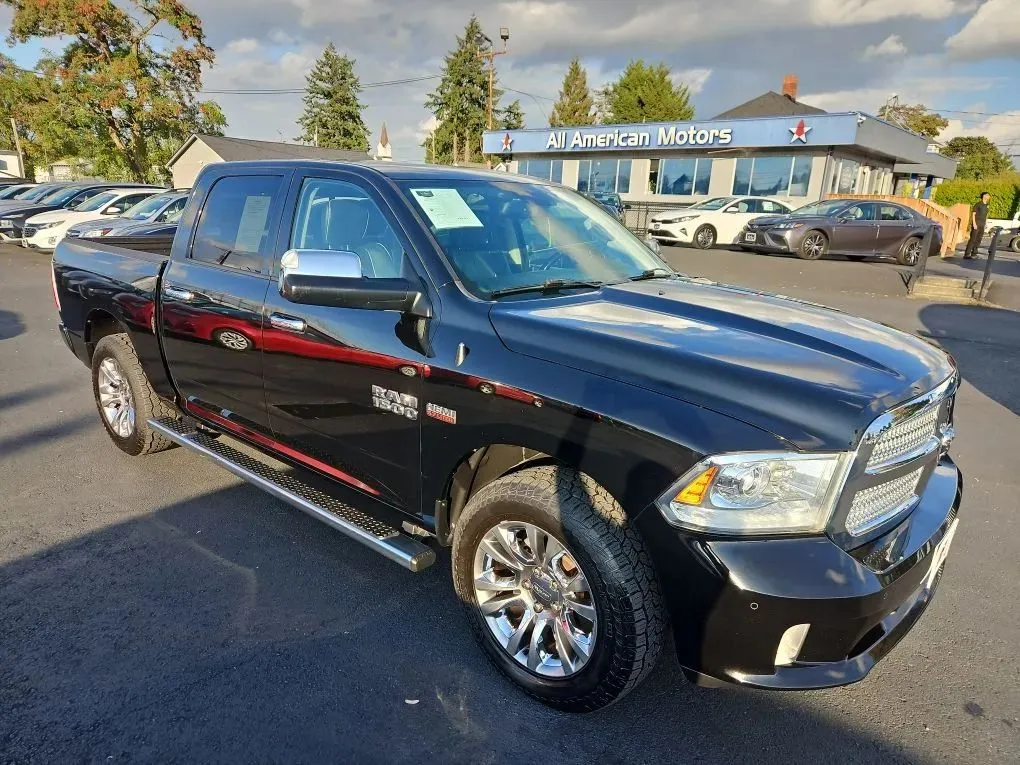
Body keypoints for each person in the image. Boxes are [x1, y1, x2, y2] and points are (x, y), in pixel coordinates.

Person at [963, 191, 991, 259]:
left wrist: (986, 223)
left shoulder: (987, 205)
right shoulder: (978, 204)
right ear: (984, 196)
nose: (989, 196)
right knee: (973, 239)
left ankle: (974, 253)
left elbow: (986, 215)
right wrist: (974, 224)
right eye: (987, 195)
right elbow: (973, 214)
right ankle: (967, 254)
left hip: (982, 224)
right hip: (977, 223)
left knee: (979, 239)